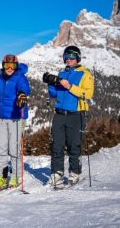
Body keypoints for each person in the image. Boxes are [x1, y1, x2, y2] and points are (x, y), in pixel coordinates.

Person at [43, 45, 94, 189]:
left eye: (72, 56)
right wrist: (50, 83)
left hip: (76, 114)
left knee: (74, 145)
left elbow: (88, 94)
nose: (69, 59)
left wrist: (70, 86)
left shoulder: (85, 74)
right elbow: (53, 94)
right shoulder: (62, 73)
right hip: (59, 114)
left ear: (77, 57)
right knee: (57, 145)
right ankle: (57, 173)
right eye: (66, 56)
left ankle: (74, 172)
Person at [0, 55, 30, 190]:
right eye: (7, 66)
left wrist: (22, 95)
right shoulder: (0, 78)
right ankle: (1, 177)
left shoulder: (20, 77)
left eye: (12, 66)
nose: (9, 69)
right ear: (3, 66)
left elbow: (25, 88)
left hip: (17, 117)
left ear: (16, 66)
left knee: (14, 149)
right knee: (0, 148)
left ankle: (15, 176)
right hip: (3, 118)